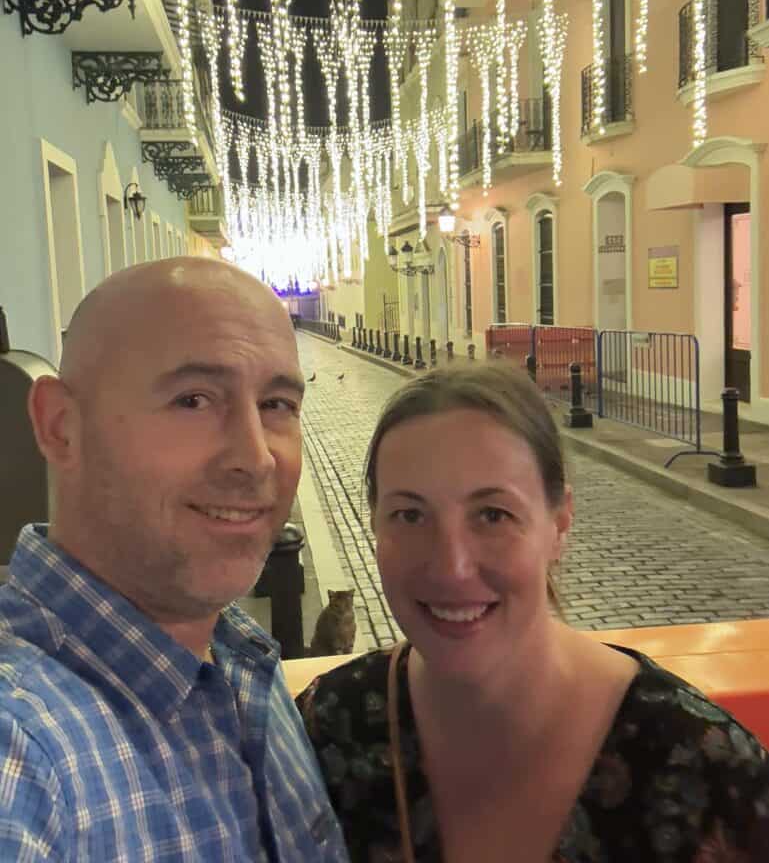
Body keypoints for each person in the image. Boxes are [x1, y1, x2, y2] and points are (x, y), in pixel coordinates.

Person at [297, 361, 769, 862]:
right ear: (375, 526)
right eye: (409, 515)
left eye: (493, 514)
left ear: (559, 523)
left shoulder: (707, 771)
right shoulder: (324, 734)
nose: (452, 568)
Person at [0, 257, 349, 862]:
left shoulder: (234, 656)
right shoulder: (25, 757)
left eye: (277, 404)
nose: (256, 457)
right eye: (193, 399)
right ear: (60, 426)